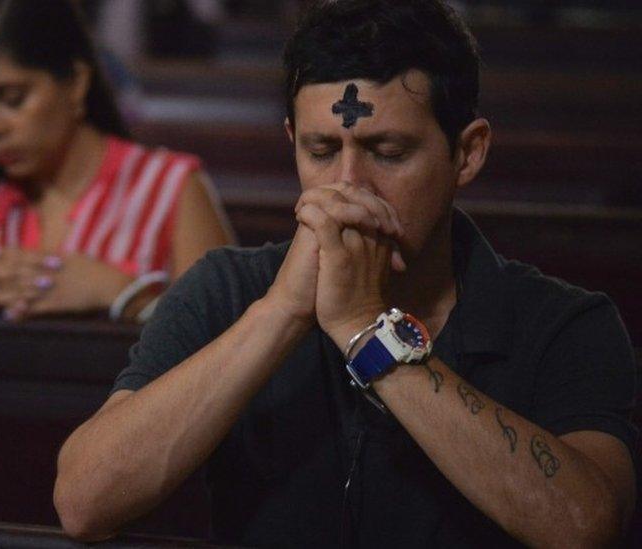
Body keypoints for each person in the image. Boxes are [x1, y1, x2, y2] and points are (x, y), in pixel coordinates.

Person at [53, 0, 638, 546]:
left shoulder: (565, 321)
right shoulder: (228, 290)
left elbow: (584, 526)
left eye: (389, 152)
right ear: (291, 142)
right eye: (321, 150)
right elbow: (84, 502)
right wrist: (281, 314)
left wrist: (367, 331)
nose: (348, 187)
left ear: (468, 152)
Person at [0, 0, 233, 321]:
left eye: (12, 99)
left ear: (76, 82)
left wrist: (126, 296)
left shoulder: (170, 188)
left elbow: (229, 343)